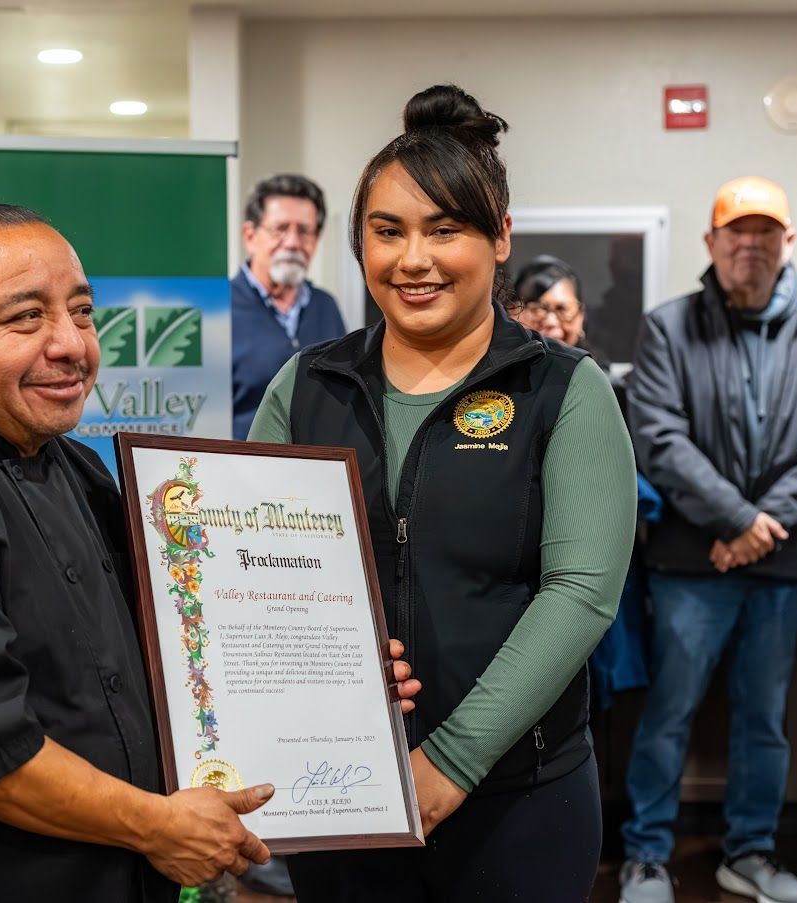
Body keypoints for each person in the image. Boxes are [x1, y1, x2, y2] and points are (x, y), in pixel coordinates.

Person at [0, 203, 419, 902]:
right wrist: (157, 825)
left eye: (83, 312)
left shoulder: (72, 467)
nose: (70, 344)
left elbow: (181, 648)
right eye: (25, 317)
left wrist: (329, 682)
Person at [249, 84, 635, 901]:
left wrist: (450, 758)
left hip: (518, 797)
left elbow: (580, 592)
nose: (412, 259)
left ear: (499, 238)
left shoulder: (560, 389)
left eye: (444, 229)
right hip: (341, 788)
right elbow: (255, 584)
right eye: (386, 232)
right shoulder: (307, 386)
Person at [619, 177, 797, 903]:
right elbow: (658, 437)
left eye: (765, 233)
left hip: (777, 568)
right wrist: (735, 521)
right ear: (711, 244)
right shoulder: (667, 327)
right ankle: (644, 857)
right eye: (735, 232)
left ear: (787, 243)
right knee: (669, 714)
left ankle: (749, 853)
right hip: (690, 565)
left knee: (763, 720)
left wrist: (756, 532)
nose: (749, 245)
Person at [231, 174, 345, 440]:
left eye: (304, 231)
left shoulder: (326, 306)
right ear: (250, 236)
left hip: (314, 470)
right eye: (280, 229)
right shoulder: (218, 311)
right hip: (239, 471)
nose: (293, 242)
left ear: (316, 240)